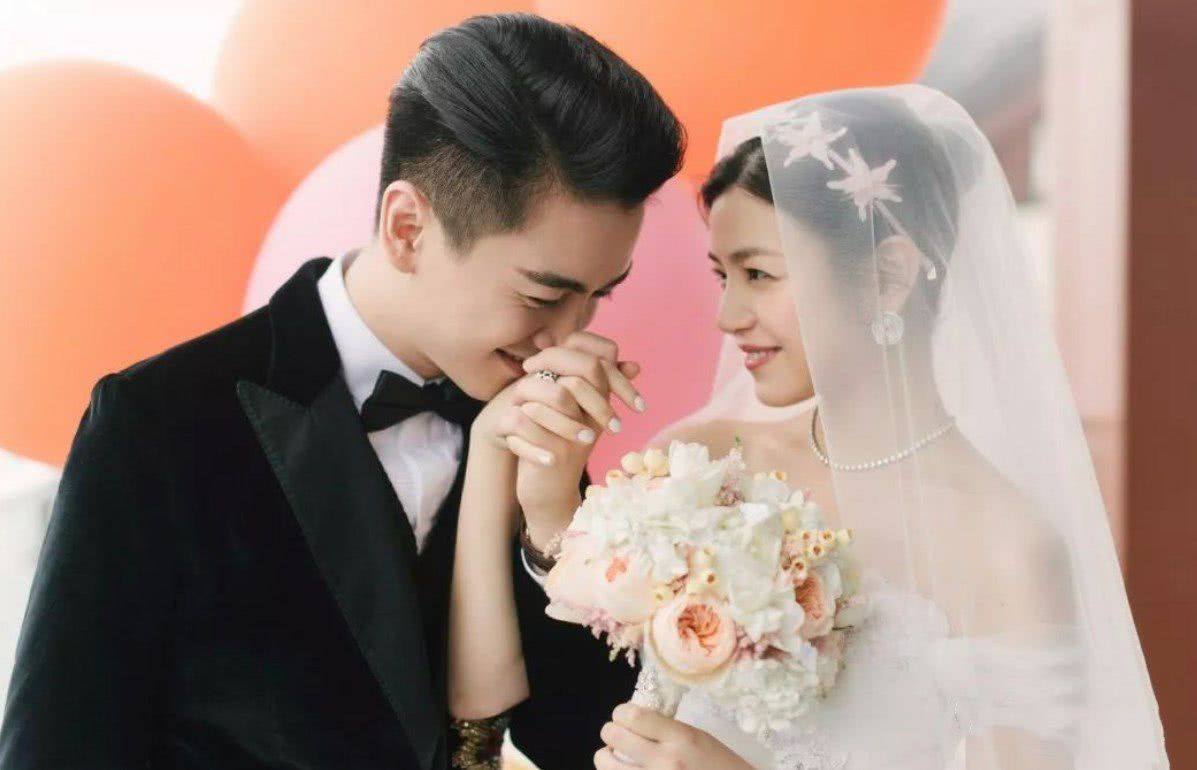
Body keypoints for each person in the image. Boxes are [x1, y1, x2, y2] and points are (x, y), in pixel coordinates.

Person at [0, 13, 683, 770]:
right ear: (406, 227)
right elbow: (57, 748)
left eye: (599, 296)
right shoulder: (160, 422)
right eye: (542, 296)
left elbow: (585, 743)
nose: (569, 338)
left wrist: (554, 528)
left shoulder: (537, 419)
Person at [594, 86, 1166, 768]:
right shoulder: (702, 466)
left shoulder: (1006, 545)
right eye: (724, 276)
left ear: (889, 273)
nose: (728, 316)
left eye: (758, 274)